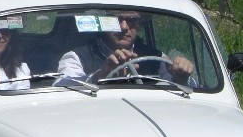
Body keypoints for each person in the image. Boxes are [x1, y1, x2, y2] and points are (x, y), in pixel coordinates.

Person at [56, 12, 194, 85]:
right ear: (103, 21)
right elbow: (62, 86)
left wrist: (182, 75)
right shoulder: (78, 56)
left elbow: (180, 92)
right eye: (115, 19)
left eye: (132, 20)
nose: (124, 27)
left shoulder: (156, 59)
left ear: (139, 23)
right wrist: (101, 75)